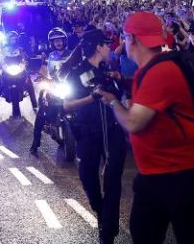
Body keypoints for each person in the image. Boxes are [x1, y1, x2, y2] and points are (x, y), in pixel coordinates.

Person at [97, 11, 194, 244]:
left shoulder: (159, 72)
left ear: (132, 39)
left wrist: (112, 101)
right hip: (160, 172)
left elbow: (134, 123)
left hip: (179, 172)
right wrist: (123, 81)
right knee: (146, 232)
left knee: (184, 237)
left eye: (125, 37)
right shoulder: (152, 68)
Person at [62, 28, 126, 244]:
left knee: (113, 181)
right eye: (106, 45)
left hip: (113, 132)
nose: (109, 49)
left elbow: (120, 96)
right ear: (98, 47)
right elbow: (67, 105)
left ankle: (107, 233)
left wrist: (119, 80)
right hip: (87, 132)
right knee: (88, 178)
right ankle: (101, 212)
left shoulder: (109, 70)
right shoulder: (76, 73)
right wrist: (91, 98)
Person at [30, 27, 70, 156]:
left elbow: (77, 68)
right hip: (53, 86)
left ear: (64, 41)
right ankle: (35, 143)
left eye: (60, 40)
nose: (58, 43)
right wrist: (42, 77)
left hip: (69, 86)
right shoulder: (48, 56)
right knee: (41, 114)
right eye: (55, 41)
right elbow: (43, 69)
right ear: (51, 43)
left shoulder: (71, 54)